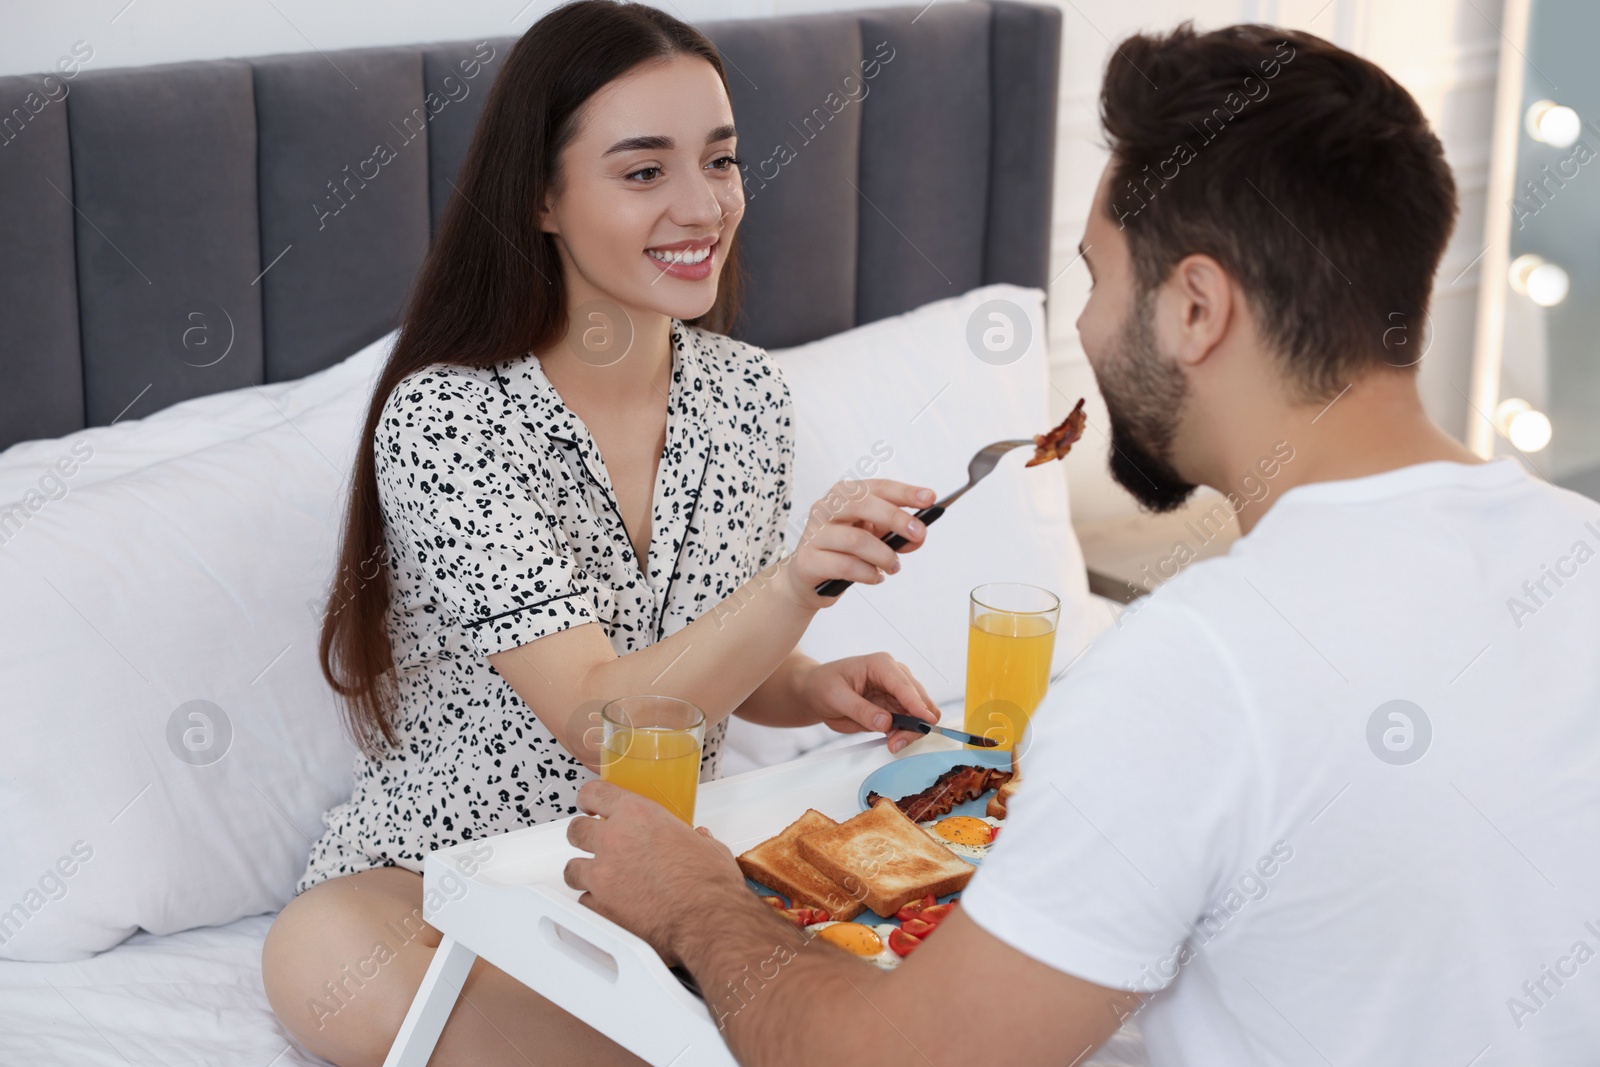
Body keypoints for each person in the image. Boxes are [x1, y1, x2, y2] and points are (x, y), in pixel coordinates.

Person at [566, 21, 1600, 1066]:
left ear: (1195, 307)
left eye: (1097, 277)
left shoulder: (1194, 668)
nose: (1091, 328)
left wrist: (694, 898)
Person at [260, 2, 943, 1063]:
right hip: (444, 881)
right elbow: (598, 712)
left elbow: (694, 657)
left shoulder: (747, 395)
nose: (701, 205)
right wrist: (794, 582)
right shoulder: (451, 417)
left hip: (667, 871)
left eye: (720, 161)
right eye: (642, 172)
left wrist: (806, 685)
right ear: (540, 195)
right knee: (322, 947)